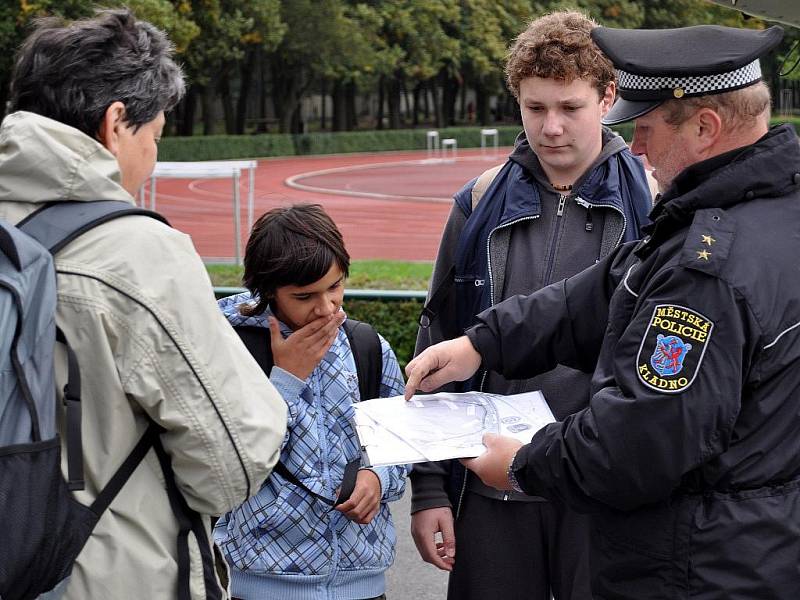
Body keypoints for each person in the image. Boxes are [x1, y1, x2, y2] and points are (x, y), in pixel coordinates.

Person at [404, 23, 800, 600]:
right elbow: (607, 290)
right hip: (746, 543)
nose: (635, 147)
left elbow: (640, 439)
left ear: (706, 127)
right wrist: (480, 344)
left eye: (645, 128)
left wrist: (524, 464)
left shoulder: (708, 270)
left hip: (699, 563)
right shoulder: (753, 209)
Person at [0, 10, 286, 599]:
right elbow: (233, 462)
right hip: (106, 575)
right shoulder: (134, 253)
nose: (152, 157)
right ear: (115, 124)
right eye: (153, 137)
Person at [409, 11, 652, 600]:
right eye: (534, 107)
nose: (551, 127)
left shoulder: (654, 205)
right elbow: (441, 336)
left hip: (602, 494)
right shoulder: (478, 201)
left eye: (570, 107)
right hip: (491, 490)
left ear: (608, 97)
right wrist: (430, 490)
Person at [213, 204, 407, 600]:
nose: (326, 307)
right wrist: (285, 379)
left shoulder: (366, 345)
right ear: (268, 290)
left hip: (363, 584)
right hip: (258, 586)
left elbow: (401, 441)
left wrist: (378, 478)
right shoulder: (226, 347)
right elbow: (220, 464)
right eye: (304, 296)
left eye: (335, 287)